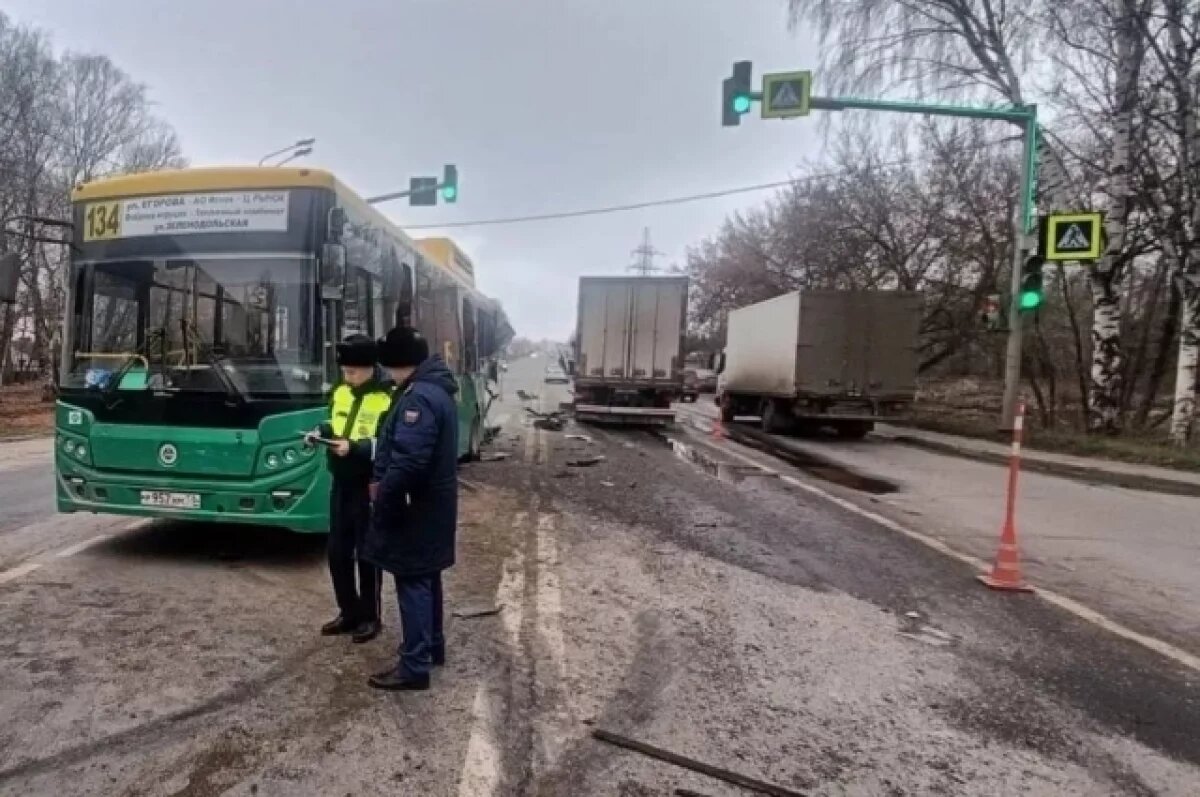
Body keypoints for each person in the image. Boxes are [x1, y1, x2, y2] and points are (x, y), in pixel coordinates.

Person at [364, 326, 458, 691]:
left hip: (413, 507)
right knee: (427, 575)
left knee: (413, 579)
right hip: (432, 505)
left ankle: (414, 665)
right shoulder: (436, 390)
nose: (386, 372)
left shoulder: (417, 399)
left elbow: (408, 461)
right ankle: (432, 647)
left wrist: (383, 494)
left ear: (397, 361)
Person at [310, 334, 393, 644]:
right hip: (341, 480)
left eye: (353, 371)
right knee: (337, 551)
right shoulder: (340, 391)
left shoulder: (386, 397)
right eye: (345, 371)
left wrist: (356, 449)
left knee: (367, 552)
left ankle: (370, 616)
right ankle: (348, 611)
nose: (348, 377)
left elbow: (386, 443)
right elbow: (335, 423)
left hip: (367, 483)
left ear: (370, 368)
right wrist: (320, 432)